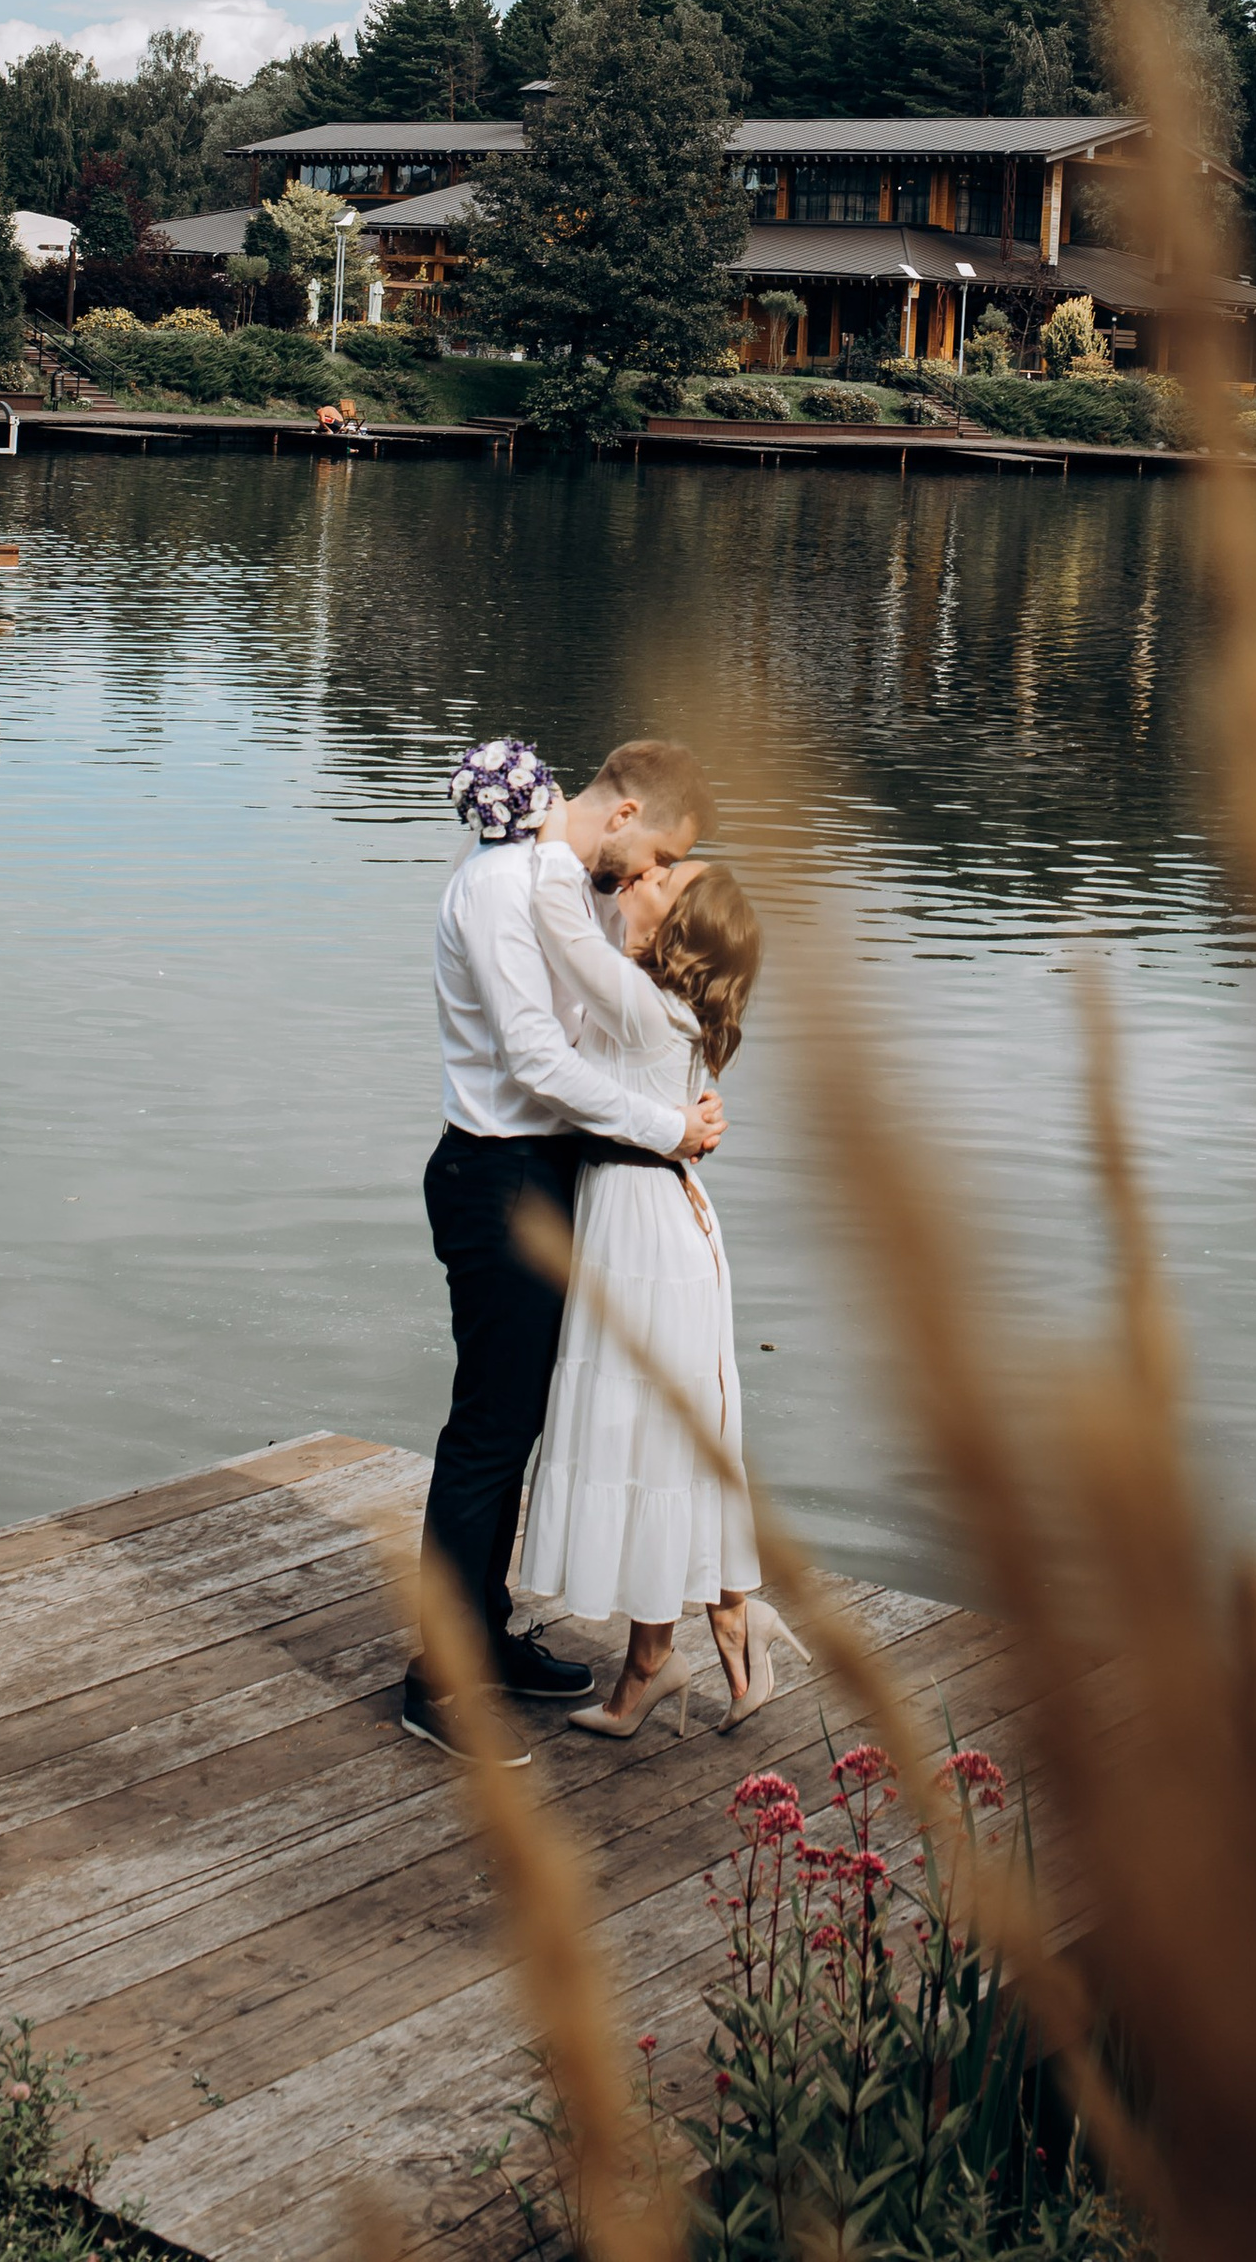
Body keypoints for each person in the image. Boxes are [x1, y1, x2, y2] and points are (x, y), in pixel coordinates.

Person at [405, 734, 725, 1760]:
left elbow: (592, 1030)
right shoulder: (505, 885)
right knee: (490, 1428)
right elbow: (537, 1060)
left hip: (548, 1174)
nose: (649, 880)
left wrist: (672, 1098)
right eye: (657, 857)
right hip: (494, 1176)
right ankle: (436, 1682)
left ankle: (484, 1639)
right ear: (623, 815)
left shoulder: (567, 884)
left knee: (520, 1420)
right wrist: (666, 1127)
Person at [515, 833, 780, 1736]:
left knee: (657, 1443)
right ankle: (724, 1624)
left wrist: (556, 835)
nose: (646, 876)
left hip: (650, 1239)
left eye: (665, 879)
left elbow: (562, 927)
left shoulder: (643, 1005)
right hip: (651, 1225)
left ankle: (657, 1664)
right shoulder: (668, 1004)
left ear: (685, 927)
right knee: (661, 1439)